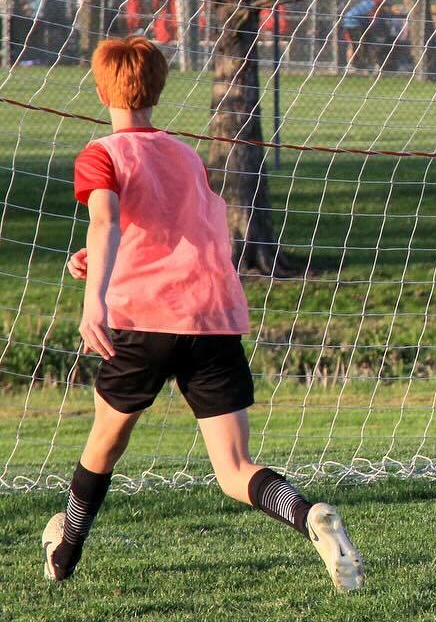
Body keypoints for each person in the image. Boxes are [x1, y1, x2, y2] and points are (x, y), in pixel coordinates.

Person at [44, 37, 364, 592]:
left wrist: (94, 299)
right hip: (212, 319)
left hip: (144, 322)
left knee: (103, 446)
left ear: (99, 90)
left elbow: (107, 220)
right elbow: (173, 232)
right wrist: (98, 258)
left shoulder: (102, 153)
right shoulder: (185, 155)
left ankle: (64, 551)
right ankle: (308, 514)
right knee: (234, 469)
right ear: (159, 89)